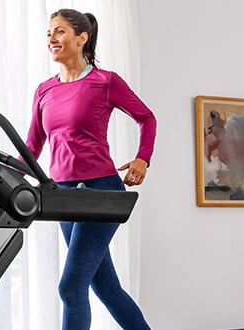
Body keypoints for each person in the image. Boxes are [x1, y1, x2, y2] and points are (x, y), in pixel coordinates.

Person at [23, 8, 156, 330]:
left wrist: (142, 158)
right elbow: (32, 146)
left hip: (101, 191)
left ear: (82, 38)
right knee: (105, 286)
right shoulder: (44, 90)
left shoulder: (105, 81)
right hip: (64, 196)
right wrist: (0, 176)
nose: (52, 39)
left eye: (59, 32)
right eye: (49, 33)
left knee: (71, 286)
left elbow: (146, 117)